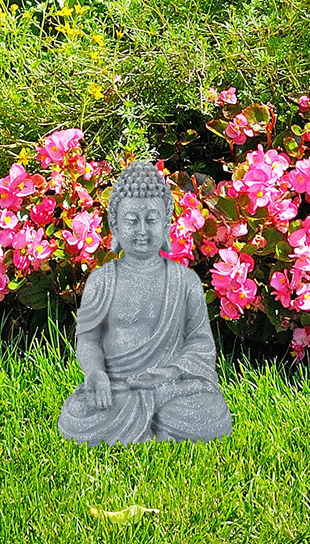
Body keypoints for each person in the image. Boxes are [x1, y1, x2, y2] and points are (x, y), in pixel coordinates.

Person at [58, 161, 233, 446]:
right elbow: (88, 340)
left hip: (170, 387)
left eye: (151, 220)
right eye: (131, 220)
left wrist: (170, 373)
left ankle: (151, 423)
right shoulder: (102, 281)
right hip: (119, 386)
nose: (141, 230)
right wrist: (95, 374)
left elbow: (201, 344)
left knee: (208, 411)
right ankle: (159, 430)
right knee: (77, 413)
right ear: (115, 225)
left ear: (166, 223)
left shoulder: (185, 281)